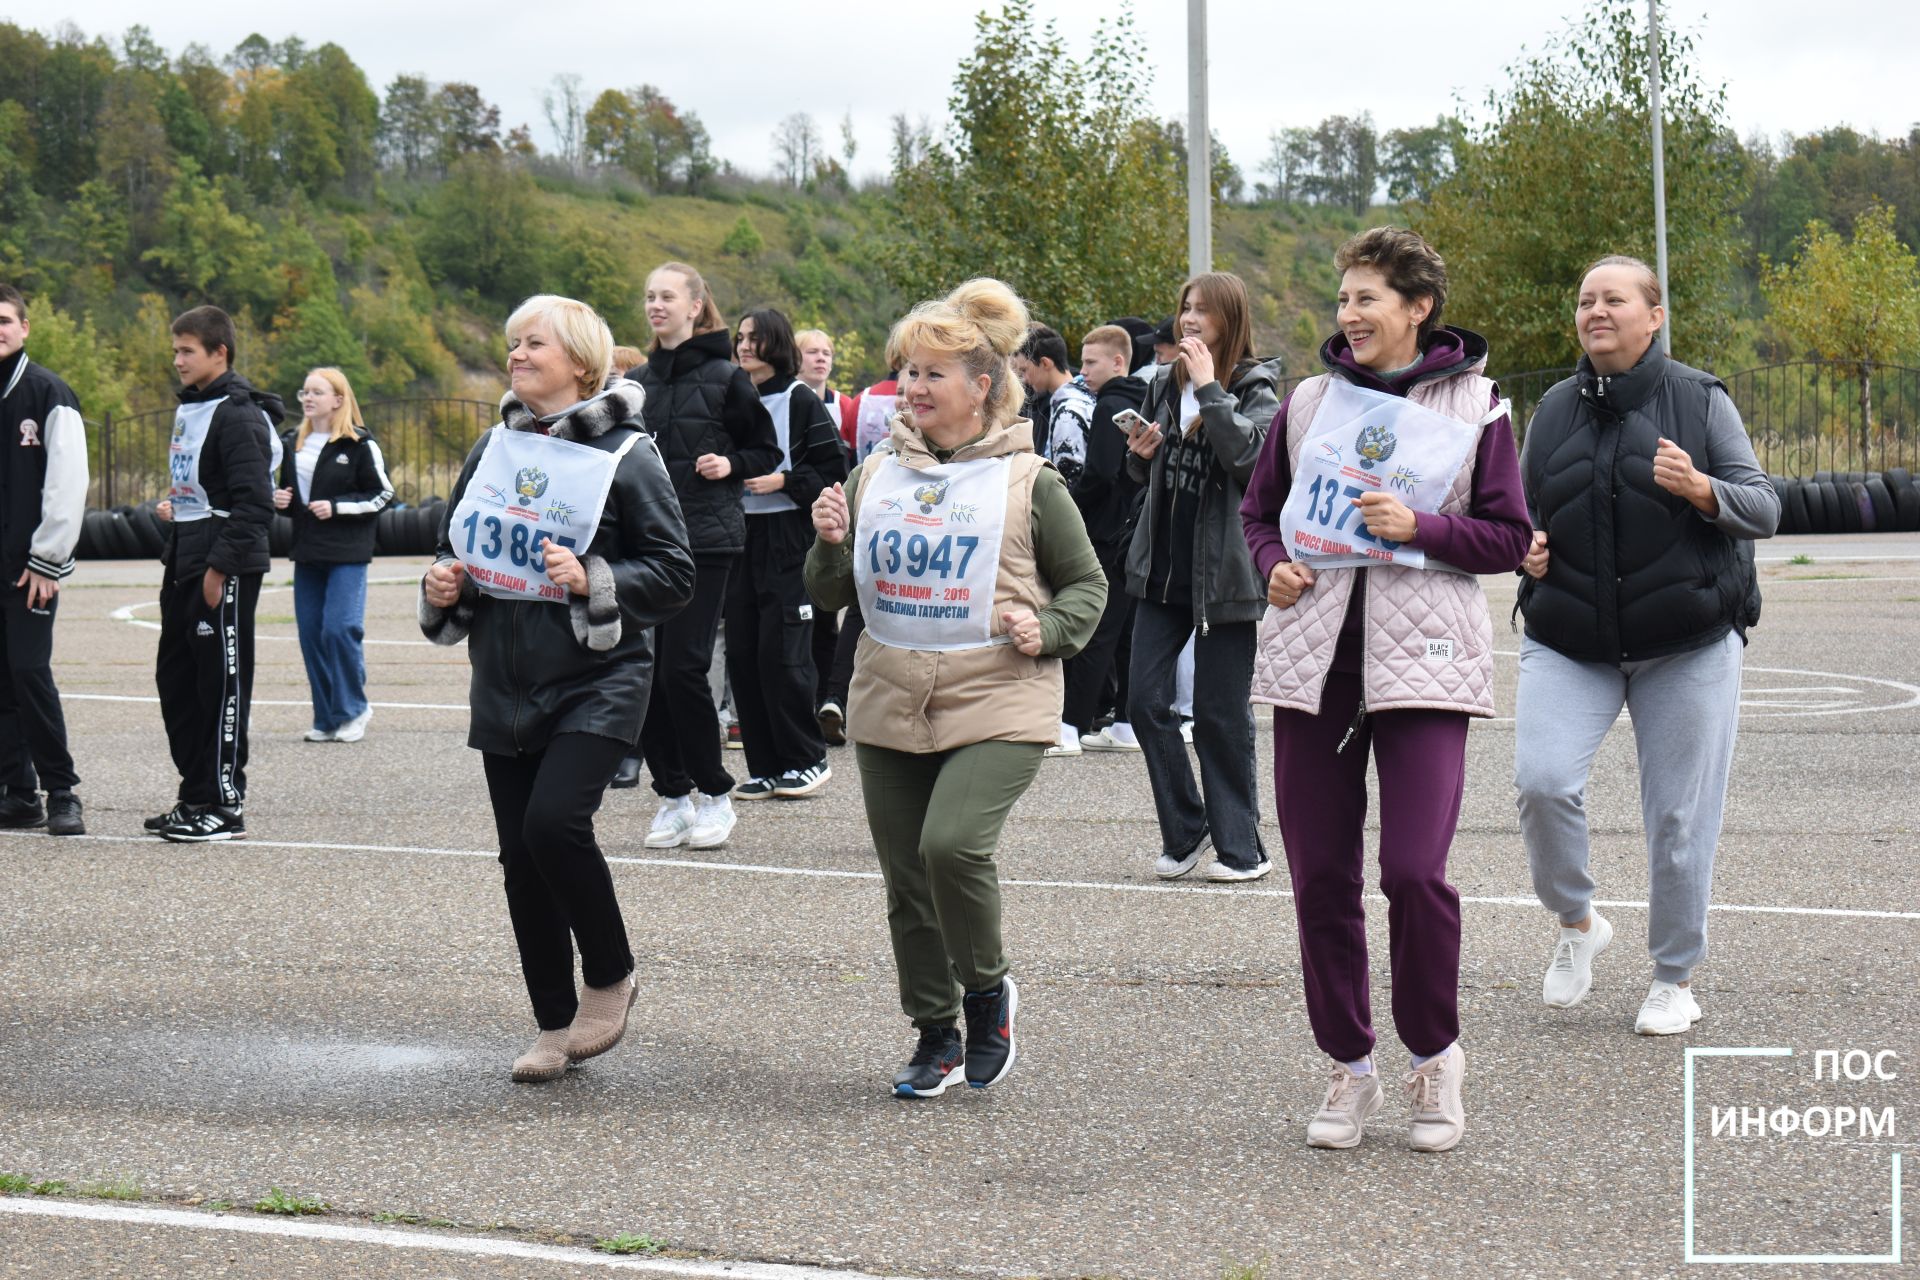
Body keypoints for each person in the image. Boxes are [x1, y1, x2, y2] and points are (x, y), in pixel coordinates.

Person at [1241, 226, 1532, 1153]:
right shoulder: (1308, 402)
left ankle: (1435, 1057)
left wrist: (1422, 527)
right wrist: (1276, 566)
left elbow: (1507, 538)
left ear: (1419, 308)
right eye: (1343, 299)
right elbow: (1258, 516)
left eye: (1368, 298)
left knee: (1412, 872)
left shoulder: (1479, 407)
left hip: (1426, 663)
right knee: (1320, 876)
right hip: (1311, 663)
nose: (1349, 315)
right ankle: (1349, 1065)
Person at [805, 278, 1106, 1098]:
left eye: (935, 374)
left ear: (983, 387)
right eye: (909, 373)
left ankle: (986, 993)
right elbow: (833, 595)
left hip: (1000, 695)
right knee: (907, 878)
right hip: (889, 692)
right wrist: (830, 543)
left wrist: (1047, 630)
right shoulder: (875, 475)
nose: (915, 389)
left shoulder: (1030, 481)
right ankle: (933, 1031)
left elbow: (1087, 585)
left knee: (952, 847)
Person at [421, 295, 694, 1083]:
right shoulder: (492, 448)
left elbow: (674, 571)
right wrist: (447, 585)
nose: (515, 354)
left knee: (553, 826)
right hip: (503, 681)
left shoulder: (626, 453)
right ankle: (551, 1024)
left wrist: (594, 578)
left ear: (578, 360)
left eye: (531, 343)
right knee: (518, 859)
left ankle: (609, 975)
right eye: (511, 342)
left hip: (599, 677)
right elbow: (459, 546)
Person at [1515, 255, 1779, 1038]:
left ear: (1653, 315)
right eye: (1586, 299)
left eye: (1615, 299)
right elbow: (1522, 516)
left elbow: (1762, 505)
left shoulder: (1699, 399)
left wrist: (1703, 490)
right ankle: (1576, 923)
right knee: (1541, 783)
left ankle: (1673, 977)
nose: (1597, 310)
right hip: (1570, 638)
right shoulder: (1554, 409)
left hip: (1687, 641)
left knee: (1678, 817)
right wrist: (1523, 548)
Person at [1122, 272, 1279, 881]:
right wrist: (1140, 456)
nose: (1189, 320)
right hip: (1161, 567)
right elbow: (1145, 476)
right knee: (1143, 702)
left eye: (1203, 312)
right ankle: (1187, 829)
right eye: (1185, 308)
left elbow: (1253, 464)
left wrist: (1213, 390)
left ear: (1228, 321)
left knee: (1219, 713)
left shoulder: (1255, 387)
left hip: (1226, 576)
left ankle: (1243, 848)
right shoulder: (1162, 382)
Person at [621, 262, 780, 848]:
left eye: (667, 296)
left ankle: (715, 794)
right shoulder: (635, 382)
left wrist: (730, 465)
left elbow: (765, 450)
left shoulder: (727, 377)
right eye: (649, 296)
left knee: (682, 666)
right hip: (647, 543)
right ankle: (672, 796)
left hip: (707, 539)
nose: (656, 305)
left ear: (694, 306)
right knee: (647, 674)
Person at [147, 305, 284, 843]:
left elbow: (255, 505)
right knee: (177, 682)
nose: (177, 360)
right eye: (175, 350)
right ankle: (195, 793)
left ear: (218, 353)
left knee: (220, 687)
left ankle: (225, 805)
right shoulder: (194, 408)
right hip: (183, 558)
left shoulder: (239, 414)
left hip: (219, 567)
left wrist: (219, 569)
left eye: (187, 351)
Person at [728, 308, 846, 798]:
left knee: (783, 651)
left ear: (775, 343)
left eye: (754, 338)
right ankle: (766, 766)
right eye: (740, 338)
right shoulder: (732, 393)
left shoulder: (799, 399)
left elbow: (833, 466)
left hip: (786, 535)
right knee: (743, 652)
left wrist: (784, 481)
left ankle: (807, 758)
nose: (745, 346)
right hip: (738, 535)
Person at [0, 284, 88, 836]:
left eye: (4, 320)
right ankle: (18, 793)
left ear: (25, 328)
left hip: (29, 568)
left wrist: (48, 559)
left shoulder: (48, 393)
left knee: (29, 673)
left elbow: (68, 483)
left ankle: (62, 791)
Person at [274, 367, 393, 744]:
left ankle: (354, 709)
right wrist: (281, 501)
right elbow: (290, 497)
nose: (308, 398)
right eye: (305, 392)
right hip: (307, 551)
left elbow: (383, 495)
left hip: (347, 552)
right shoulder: (292, 442)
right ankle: (327, 718)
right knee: (311, 634)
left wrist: (338, 507)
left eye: (317, 392)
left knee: (339, 629)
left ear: (338, 400)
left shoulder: (359, 444)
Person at [1064, 324, 1146, 753]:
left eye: (1091, 361)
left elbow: (1099, 470)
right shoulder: (1142, 399)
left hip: (1107, 530)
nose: (1083, 370)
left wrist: (1071, 505)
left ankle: (1070, 726)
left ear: (1117, 362)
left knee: (1097, 625)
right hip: (1134, 528)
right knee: (1127, 630)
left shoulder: (1109, 403)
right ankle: (1128, 724)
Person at [817, 366, 904, 746]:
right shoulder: (881, 455)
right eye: (903, 387)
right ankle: (838, 699)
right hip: (882, 552)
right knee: (858, 608)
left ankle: (841, 697)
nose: (907, 394)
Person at [794, 327, 853, 705]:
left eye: (826, 352)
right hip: (790, 522)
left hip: (828, 517)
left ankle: (828, 698)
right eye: (812, 352)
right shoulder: (786, 400)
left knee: (826, 616)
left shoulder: (844, 405)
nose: (821, 358)